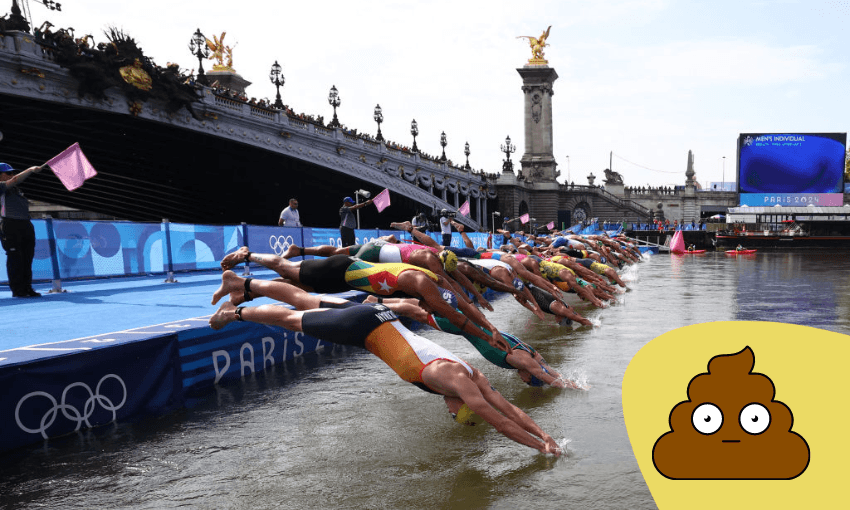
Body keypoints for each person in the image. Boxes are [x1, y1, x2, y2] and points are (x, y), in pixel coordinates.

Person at [209, 272, 562, 456]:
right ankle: (234, 312)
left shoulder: (475, 376)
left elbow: (511, 410)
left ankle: (243, 284)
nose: (451, 416)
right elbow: (501, 422)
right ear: (462, 406)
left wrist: (546, 433)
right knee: (291, 319)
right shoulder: (458, 383)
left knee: (304, 299)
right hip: (363, 326)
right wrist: (541, 449)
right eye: (457, 417)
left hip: (379, 313)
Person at [0, 163, 42, 298]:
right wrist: (30, 169)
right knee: (15, 257)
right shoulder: (2, 187)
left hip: (25, 224)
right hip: (9, 224)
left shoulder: (17, 190)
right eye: (8, 173)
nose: (12, 175)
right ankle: (18, 290)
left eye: (13, 173)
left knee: (27, 257)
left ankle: (27, 287)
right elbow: (15, 180)